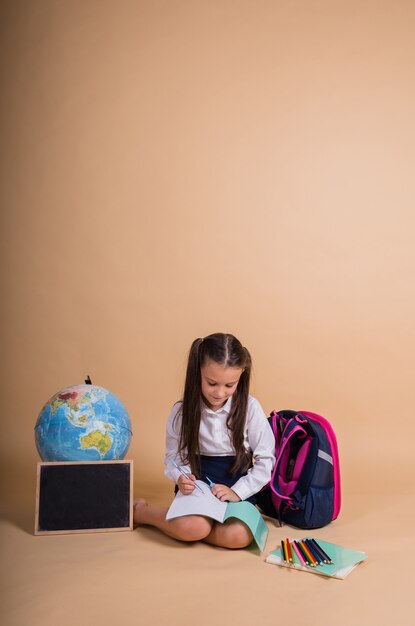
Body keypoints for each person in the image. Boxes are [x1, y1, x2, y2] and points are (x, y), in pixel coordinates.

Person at [134, 332, 276, 549]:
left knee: (238, 536)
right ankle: (142, 512)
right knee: (193, 526)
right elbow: (174, 457)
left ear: (241, 377)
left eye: (230, 385)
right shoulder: (182, 412)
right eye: (212, 383)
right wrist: (181, 477)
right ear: (197, 372)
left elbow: (266, 459)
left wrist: (238, 491)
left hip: (236, 486)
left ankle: (200, 527)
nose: (220, 393)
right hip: (198, 486)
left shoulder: (250, 408)